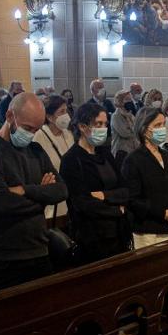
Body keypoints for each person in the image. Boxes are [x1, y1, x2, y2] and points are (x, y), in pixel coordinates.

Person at [0, 92, 68, 292]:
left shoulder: (36, 149)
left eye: (36, 129)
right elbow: (3, 202)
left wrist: (24, 190)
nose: (31, 134)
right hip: (4, 257)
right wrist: (41, 195)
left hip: (39, 249)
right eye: (27, 128)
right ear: (9, 116)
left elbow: (61, 190)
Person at [60, 101, 130, 263]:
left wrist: (104, 195)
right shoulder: (71, 159)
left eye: (105, 124)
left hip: (118, 232)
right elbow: (82, 202)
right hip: (91, 237)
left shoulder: (105, 153)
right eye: (98, 124)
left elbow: (125, 191)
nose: (103, 128)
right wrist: (117, 210)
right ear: (83, 127)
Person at [122, 106, 168, 248]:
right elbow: (132, 200)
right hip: (148, 232)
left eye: (163, 124)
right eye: (157, 125)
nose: (162, 128)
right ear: (144, 129)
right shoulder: (133, 160)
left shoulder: (167, 156)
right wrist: (162, 213)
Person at [33, 94, 74, 218]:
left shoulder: (68, 133)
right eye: (61, 111)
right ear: (49, 117)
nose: (66, 115)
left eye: (66, 111)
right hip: (54, 197)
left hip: (71, 193)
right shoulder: (40, 136)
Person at [110, 90, 138, 161]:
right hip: (121, 151)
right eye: (127, 99)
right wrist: (133, 130)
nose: (130, 101)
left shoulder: (130, 115)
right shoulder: (116, 116)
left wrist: (132, 129)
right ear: (120, 101)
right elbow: (125, 133)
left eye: (130, 99)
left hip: (132, 150)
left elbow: (137, 129)